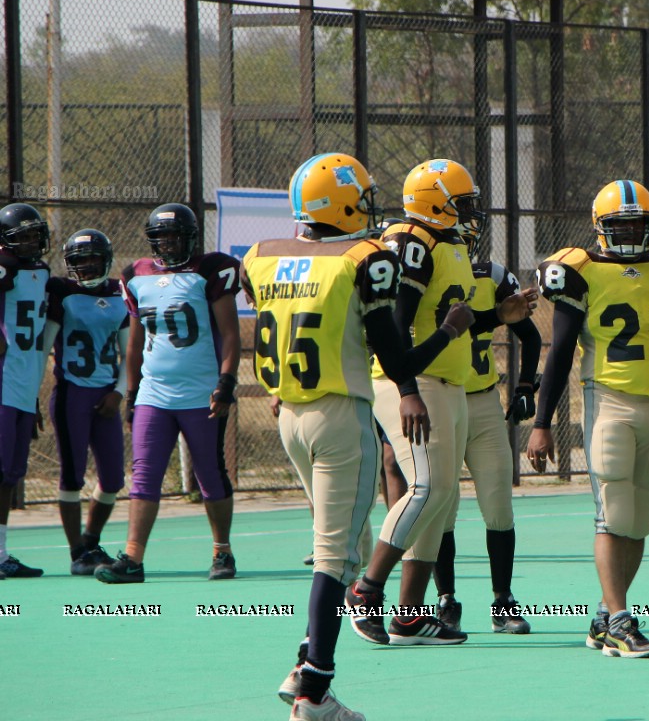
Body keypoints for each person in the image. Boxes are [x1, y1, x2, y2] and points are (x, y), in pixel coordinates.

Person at [246, 152, 472, 721]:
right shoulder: (363, 258)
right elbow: (395, 359)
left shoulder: (263, 254)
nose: (370, 209)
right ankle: (314, 689)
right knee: (334, 558)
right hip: (340, 415)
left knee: (334, 546)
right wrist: (447, 332)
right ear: (342, 202)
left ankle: (306, 665)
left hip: (289, 416)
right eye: (363, 198)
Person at [344, 158, 536, 647]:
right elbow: (397, 325)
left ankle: (409, 616)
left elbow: (450, 322)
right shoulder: (413, 241)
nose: (471, 211)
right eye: (462, 202)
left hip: (447, 383)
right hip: (415, 382)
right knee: (427, 488)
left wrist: (496, 314)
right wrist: (407, 388)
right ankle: (366, 590)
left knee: (443, 497)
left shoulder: (447, 243)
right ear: (435, 202)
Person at [527, 179, 649, 659]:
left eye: (639, 225)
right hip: (609, 399)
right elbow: (558, 354)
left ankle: (605, 614)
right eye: (622, 225)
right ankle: (619, 621)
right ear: (600, 228)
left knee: (641, 517)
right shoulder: (581, 268)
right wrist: (541, 421)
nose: (632, 234)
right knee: (612, 513)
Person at [96, 203, 242, 584]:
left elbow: (229, 333)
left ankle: (222, 552)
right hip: (154, 395)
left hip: (201, 393)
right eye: (162, 237)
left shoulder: (210, 270)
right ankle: (132, 558)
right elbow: (134, 344)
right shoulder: (137, 275)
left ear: (191, 237)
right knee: (144, 474)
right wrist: (132, 392)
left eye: (175, 235)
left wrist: (226, 382)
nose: (169, 243)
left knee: (210, 474)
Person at [429, 212, 542, 634]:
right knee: (442, 507)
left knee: (498, 505)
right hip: (441, 395)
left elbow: (528, 334)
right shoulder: (426, 274)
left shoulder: (492, 275)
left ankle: (502, 600)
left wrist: (526, 384)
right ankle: (446, 600)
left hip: (481, 401)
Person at [45, 229, 128, 575]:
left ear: (106, 260)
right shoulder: (62, 292)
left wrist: (119, 392)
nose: (89, 266)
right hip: (71, 392)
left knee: (113, 478)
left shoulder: (118, 293)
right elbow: (43, 346)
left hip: (106, 393)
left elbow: (130, 353)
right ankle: (77, 552)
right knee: (72, 475)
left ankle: (91, 540)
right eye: (81, 260)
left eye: (94, 259)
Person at [0, 202, 52, 579]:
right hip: (3, 383)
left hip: (21, 384)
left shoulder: (40, 271)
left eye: (35, 234)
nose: (32, 242)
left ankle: (1, 553)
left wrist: (32, 396)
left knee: (9, 475)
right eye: (23, 236)